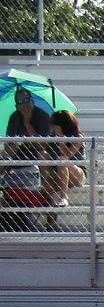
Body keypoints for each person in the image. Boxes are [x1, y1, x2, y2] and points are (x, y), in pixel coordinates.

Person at [2, 87, 53, 230]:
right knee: (3, 157)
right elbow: (8, 148)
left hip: (38, 156)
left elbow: (42, 145)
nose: (25, 104)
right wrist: (15, 145)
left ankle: (46, 189)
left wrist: (27, 124)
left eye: (27, 100)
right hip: (17, 157)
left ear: (32, 100)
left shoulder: (43, 116)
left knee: (43, 153)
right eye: (21, 102)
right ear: (16, 105)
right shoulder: (14, 117)